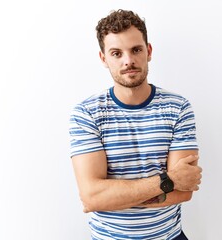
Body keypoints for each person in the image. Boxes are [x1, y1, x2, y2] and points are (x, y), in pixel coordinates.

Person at [69, 9, 202, 240]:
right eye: (116, 53)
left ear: (148, 51)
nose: (128, 61)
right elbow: (92, 197)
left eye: (136, 50)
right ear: (104, 58)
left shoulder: (178, 107)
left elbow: (184, 190)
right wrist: (167, 181)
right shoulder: (87, 113)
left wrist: (116, 196)